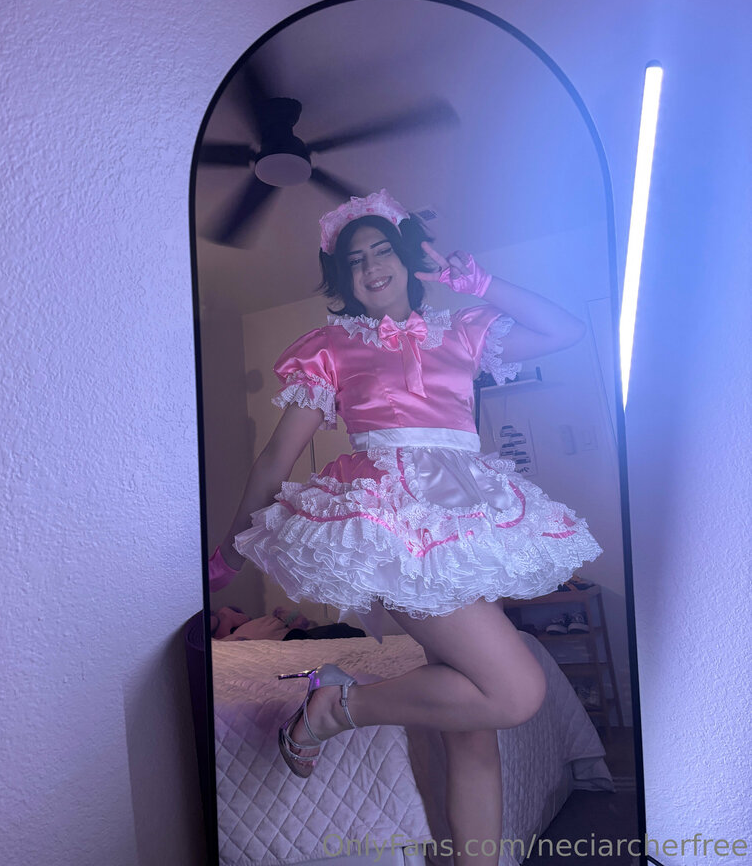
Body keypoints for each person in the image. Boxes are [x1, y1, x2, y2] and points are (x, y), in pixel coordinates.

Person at [208, 188, 603, 866]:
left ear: (408, 259)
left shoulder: (463, 328)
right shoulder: (332, 347)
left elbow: (566, 330)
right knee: (515, 691)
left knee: (473, 730)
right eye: (354, 260)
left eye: (381, 250)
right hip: (395, 529)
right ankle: (336, 707)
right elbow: (276, 457)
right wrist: (230, 548)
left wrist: (482, 283)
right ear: (343, 279)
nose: (370, 266)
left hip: (464, 525)